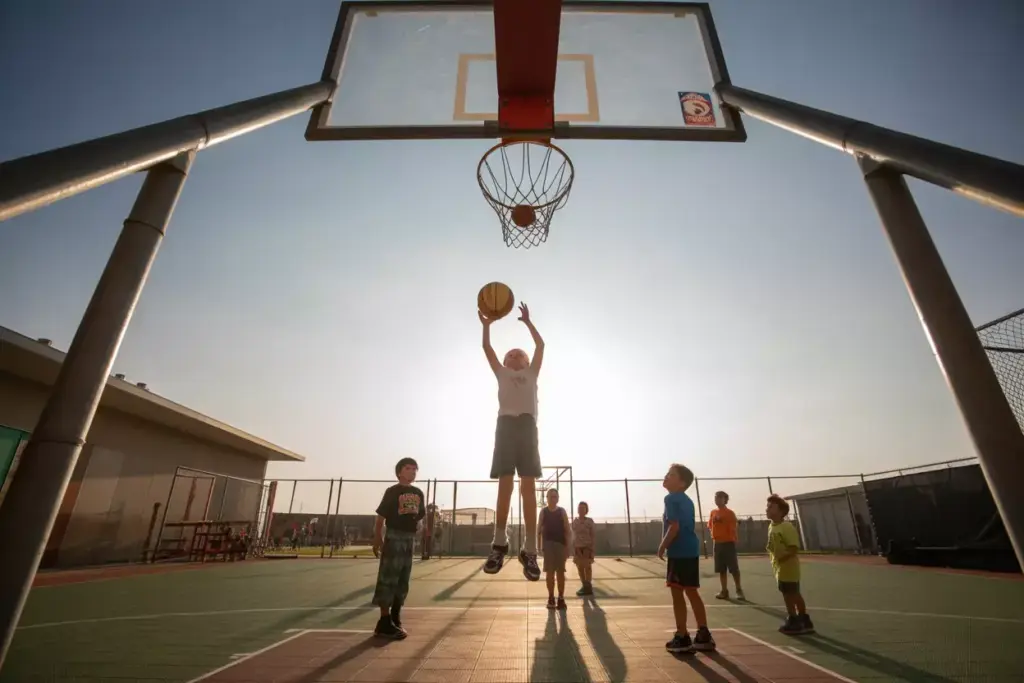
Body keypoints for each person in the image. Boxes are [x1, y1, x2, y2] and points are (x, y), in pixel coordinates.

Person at [479, 302, 545, 582]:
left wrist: (528, 323)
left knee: (527, 488)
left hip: (527, 427)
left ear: (527, 362)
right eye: (510, 354)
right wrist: (486, 327)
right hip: (505, 426)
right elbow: (488, 350)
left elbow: (541, 346)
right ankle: (499, 543)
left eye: (520, 354)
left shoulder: (531, 374)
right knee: (505, 484)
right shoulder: (502, 373)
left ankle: (529, 549)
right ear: (505, 363)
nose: (514, 355)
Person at [659, 463, 715, 653]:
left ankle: (682, 636)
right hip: (691, 550)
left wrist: (662, 546)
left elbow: (673, 527)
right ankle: (703, 633)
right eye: (667, 473)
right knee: (691, 591)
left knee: (677, 593)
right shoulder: (686, 500)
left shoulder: (671, 499)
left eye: (671, 474)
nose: (666, 476)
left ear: (681, 483)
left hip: (679, 551)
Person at [371, 457, 426, 639]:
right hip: (394, 537)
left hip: (409, 540)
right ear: (400, 472)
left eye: (414, 469)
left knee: (403, 579)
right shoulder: (392, 492)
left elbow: (419, 516)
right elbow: (381, 516)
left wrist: (420, 528)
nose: (412, 471)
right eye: (408, 468)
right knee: (389, 577)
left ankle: (395, 615)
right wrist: (378, 537)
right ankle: (384, 620)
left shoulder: (418, 492)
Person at [765, 494, 815, 635]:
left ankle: (794, 619)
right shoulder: (771, 526)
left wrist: (783, 557)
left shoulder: (786, 526)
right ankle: (804, 620)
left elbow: (793, 547)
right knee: (791, 593)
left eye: (771, 507)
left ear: (781, 511)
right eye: (767, 506)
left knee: (790, 594)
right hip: (779, 567)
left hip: (788, 567)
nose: (767, 509)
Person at [538, 488, 572, 609]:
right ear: (546, 498)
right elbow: (538, 530)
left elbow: (568, 530)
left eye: (555, 496)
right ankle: (551, 597)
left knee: (561, 573)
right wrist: (539, 547)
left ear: (558, 498)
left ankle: (561, 598)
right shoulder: (543, 512)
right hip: (548, 546)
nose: (553, 498)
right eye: (551, 496)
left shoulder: (562, 512)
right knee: (549, 574)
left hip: (560, 545)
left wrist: (568, 547)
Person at [708, 491, 744, 600]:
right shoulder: (713, 512)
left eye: (720, 497)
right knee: (721, 569)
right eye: (716, 497)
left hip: (728, 543)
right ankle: (724, 591)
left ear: (725, 500)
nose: (717, 499)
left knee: (733, 568)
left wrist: (732, 539)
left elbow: (733, 527)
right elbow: (710, 526)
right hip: (717, 544)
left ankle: (739, 590)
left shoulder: (729, 513)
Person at [572, 501, 596, 597]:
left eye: (583, 508)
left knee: (587, 567)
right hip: (578, 548)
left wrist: (592, 550)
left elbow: (593, 535)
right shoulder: (575, 522)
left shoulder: (589, 522)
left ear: (586, 510)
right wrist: (574, 549)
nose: (581, 509)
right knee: (580, 567)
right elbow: (573, 536)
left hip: (587, 547)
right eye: (579, 508)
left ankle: (588, 586)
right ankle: (584, 585)